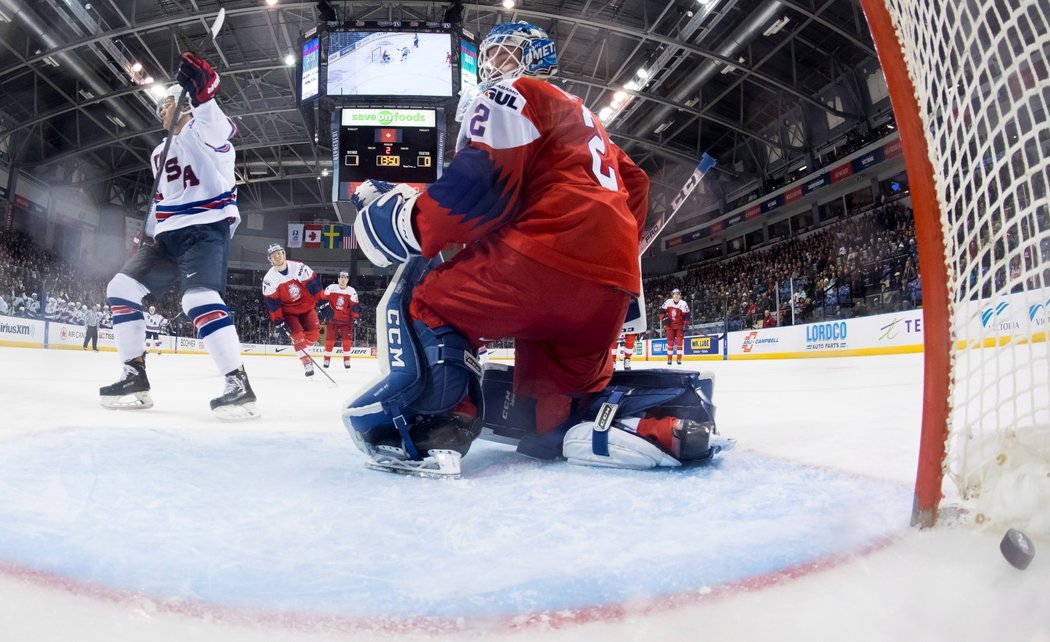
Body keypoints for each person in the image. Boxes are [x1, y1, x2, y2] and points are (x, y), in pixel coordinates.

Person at [345, 22, 650, 475]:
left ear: (538, 58)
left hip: (543, 260)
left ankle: (439, 427)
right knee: (556, 411)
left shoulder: (515, 91)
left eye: (506, 54)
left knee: (429, 303)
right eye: (492, 56)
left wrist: (408, 221)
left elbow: (482, 187)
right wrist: (612, 251)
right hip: (611, 284)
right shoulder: (590, 123)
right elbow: (637, 183)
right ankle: (557, 433)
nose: (495, 65)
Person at [99, 51, 257, 419]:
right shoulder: (158, 152)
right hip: (167, 236)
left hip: (205, 228)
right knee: (120, 289)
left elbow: (218, 129)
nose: (161, 114)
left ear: (181, 104)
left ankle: (238, 383)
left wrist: (203, 94)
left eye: (165, 105)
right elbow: (161, 199)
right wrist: (147, 234)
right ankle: (134, 375)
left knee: (198, 300)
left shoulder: (204, 134)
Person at [261, 243, 332, 377]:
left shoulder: (298, 267)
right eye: (273, 255)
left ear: (284, 254)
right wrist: (278, 322)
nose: (277, 256)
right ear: (269, 260)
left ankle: (304, 350)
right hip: (289, 313)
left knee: (314, 335)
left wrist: (323, 302)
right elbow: (272, 303)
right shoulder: (269, 279)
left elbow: (314, 284)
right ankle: (306, 362)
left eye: (279, 253)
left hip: (307, 308)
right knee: (297, 335)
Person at [321, 270, 360, 369]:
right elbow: (323, 301)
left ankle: (346, 361)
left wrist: (355, 318)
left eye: (345, 278)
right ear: (338, 279)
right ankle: (326, 359)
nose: (343, 280)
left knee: (347, 340)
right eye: (341, 277)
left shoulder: (351, 291)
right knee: (330, 340)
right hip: (332, 320)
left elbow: (354, 306)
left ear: (348, 280)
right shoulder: (331, 288)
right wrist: (323, 313)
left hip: (346, 321)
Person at [660, 288, 689, 365]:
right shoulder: (667, 302)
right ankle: (669, 359)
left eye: (677, 294)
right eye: (674, 294)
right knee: (670, 343)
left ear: (680, 296)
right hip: (670, 326)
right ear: (672, 295)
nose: (676, 296)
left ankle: (679, 359)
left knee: (679, 343)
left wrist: (686, 324)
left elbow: (687, 316)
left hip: (679, 326)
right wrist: (664, 318)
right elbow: (661, 311)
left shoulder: (683, 304)